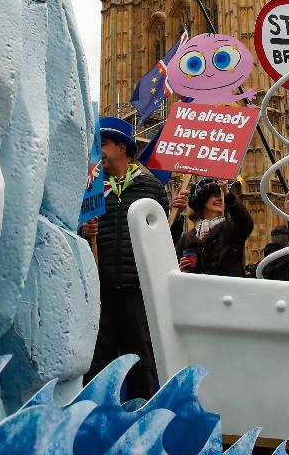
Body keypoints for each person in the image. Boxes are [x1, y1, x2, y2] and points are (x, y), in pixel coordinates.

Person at [79, 116, 182, 401]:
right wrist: (85, 231)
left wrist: (180, 214)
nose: (98, 153)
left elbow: (165, 238)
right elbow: (77, 232)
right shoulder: (94, 187)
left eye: (103, 146)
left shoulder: (151, 188)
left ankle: (140, 419)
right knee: (96, 365)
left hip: (138, 290)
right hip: (103, 288)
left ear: (122, 147)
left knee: (142, 365)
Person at [174, 178, 254, 277]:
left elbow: (246, 223)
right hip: (197, 290)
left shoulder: (230, 230)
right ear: (203, 201)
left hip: (228, 290)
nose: (221, 199)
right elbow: (168, 254)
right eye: (216, 196)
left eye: (222, 196)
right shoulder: (187, 238)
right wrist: (180, 269)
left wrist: (228, 195)